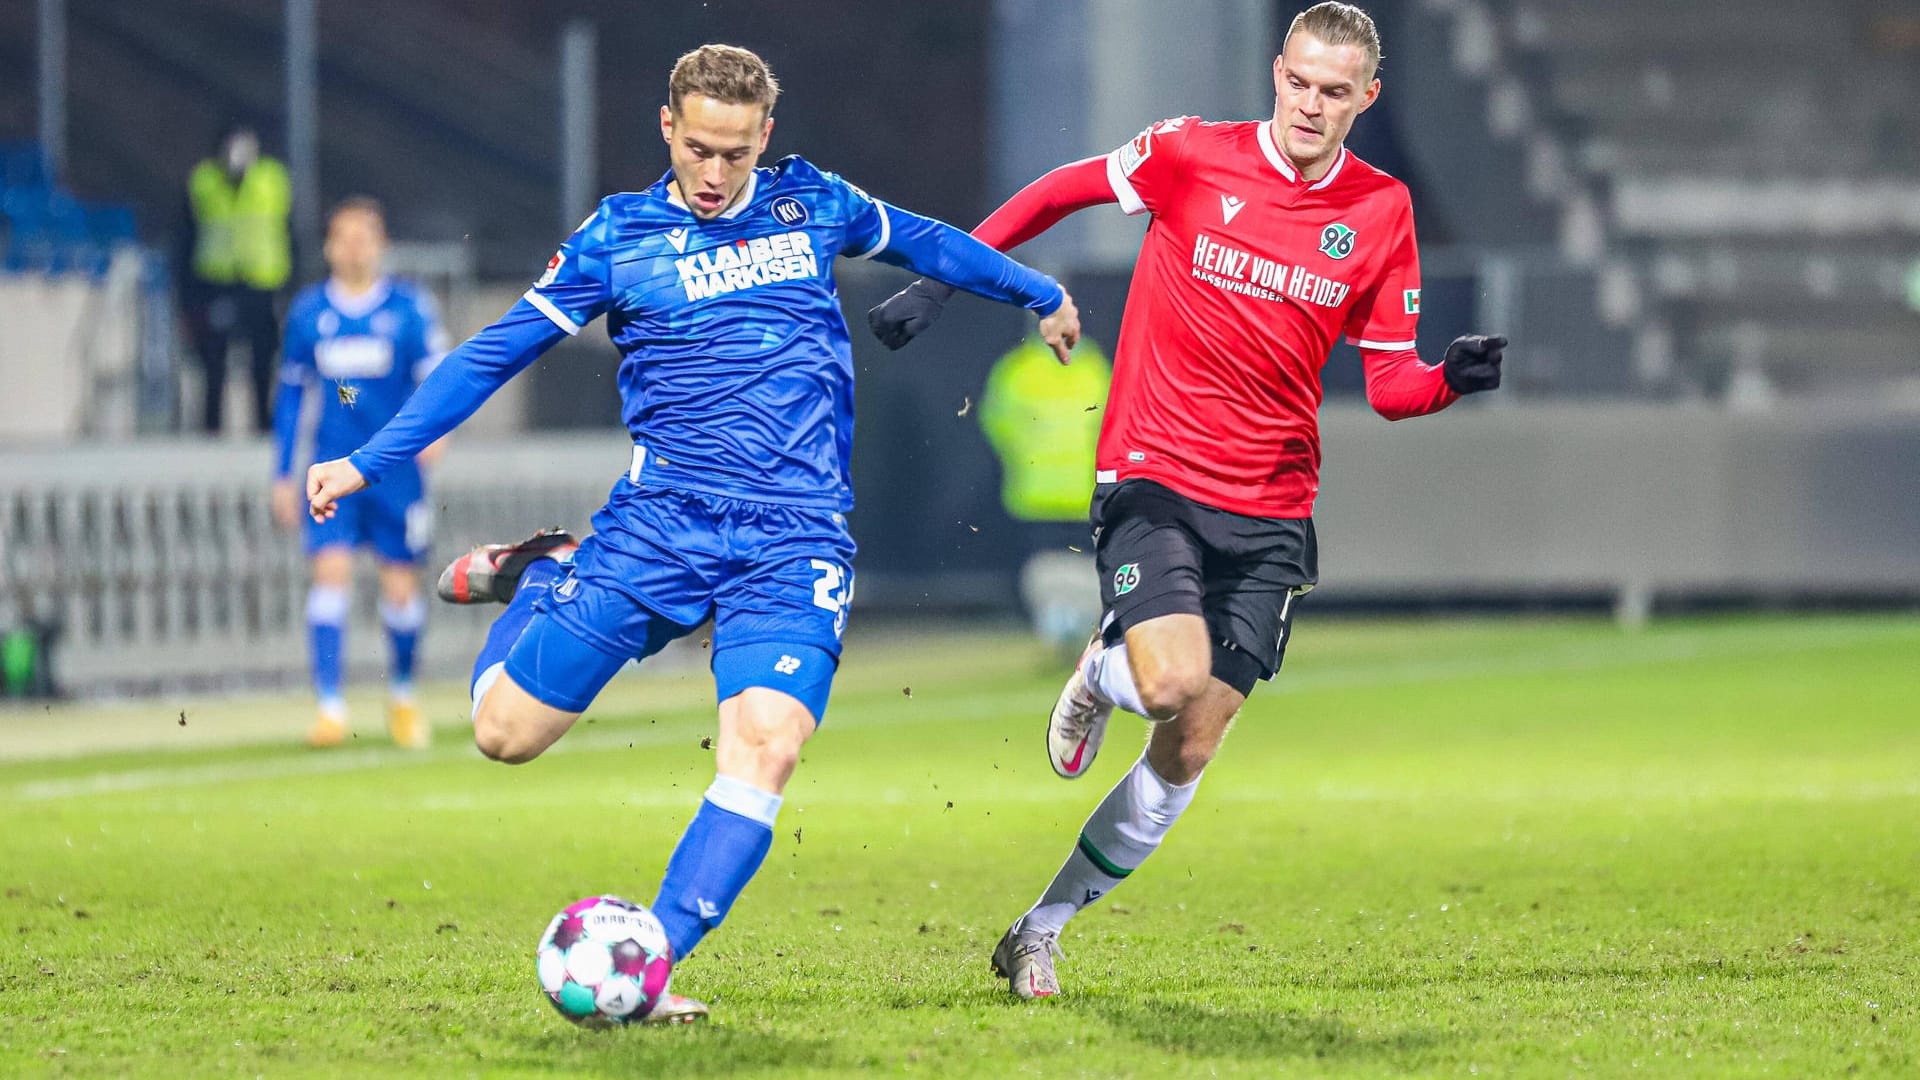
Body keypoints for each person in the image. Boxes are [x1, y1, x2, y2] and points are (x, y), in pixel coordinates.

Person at [303, 44, 1081, 1023]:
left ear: (764, 138)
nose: (715, 175)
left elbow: (928, 243)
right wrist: (370, 458)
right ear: (668, 130)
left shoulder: (814, 205)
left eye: (735, 153)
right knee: (503, 734)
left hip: (793, 539)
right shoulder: (616, 239)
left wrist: (1040, 292)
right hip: (659, 530)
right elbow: (495, 350)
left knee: (766, 746)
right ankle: (544, 576)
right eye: (698, 149)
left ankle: (649, 962)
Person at [868, 2, 1508, 999]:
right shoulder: (1190, 154)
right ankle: (1104, 669)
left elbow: (1389, 387)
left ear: (1365, 99)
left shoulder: (1381, 212)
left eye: (1334, 92)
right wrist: (951, 281)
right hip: (1155, 474)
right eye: (1298, 81)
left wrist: (1449, 381)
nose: (1310, 103)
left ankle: (1037, 929)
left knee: (1192, 740)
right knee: (1168, 680)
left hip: (1274, 509)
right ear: (1276, 72)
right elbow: (1057, 191)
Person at [272, 197, 449, 750]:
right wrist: (282, 471)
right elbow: (289, 394)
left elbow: (438, 377)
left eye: (364, 236)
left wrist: (437, 431)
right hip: (331, 469)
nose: (353, 246)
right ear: (328, 246)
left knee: (400, 589)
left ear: (380, 244)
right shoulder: (308, 313)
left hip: (394, 472)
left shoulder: (409, 309)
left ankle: (401, 696)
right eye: (343, 237)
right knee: (329, 577)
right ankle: (329, 707)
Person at [179, 124, 294, 434]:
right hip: (215, 283)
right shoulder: (204, 181)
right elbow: (185, 236)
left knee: (263, 359)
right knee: (213, 361)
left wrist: (291, 286)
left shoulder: (272, 179)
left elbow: (289, 231)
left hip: (263, 283)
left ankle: (263, 424)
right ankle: (211, 427)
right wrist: (188, 297)